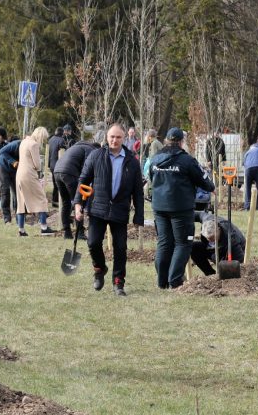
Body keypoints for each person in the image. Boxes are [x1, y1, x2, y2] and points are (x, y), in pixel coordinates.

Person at [75, 124, 145, 296]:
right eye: (112, 137)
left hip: (120, 210)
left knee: (120, 248)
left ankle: (118, 283)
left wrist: (139, 216)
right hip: (97, 208)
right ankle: (99, 269)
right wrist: (78, 205)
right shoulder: (96, 156)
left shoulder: (132, 161)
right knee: (92, 243)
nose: (114, 140)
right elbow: (83, 180)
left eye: (118, 137)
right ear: (107, 137)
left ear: (124, 139)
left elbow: (138, 191)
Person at [150, 127, 216, 289]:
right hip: (180, 208)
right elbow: (204, 181)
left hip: (159, 206)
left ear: (166, 140)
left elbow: (151, 178)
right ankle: (175, 281)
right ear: (181, 142)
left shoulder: (155, 158)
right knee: (183, 243)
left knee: (164, 243)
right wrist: (211, 186)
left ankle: (162, 282)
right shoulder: (186, 160)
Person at [54, 131, 103, 239]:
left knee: (66, 202)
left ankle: (67, 232)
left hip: (57, 172)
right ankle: (80, 233)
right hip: (69, 173)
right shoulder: (92, 151)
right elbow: (86, 170)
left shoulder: (77, 147)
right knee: (78, 202)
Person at [15, 127, 56, 236]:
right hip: (29, 174)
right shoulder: (34, 144)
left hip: (19, 174)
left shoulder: (23, 142)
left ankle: (21, 230)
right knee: (41, 199)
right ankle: (44, 227)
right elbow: (37, 165)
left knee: (21, 202)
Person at [190, 211, 245, 276]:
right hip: (214, 249)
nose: (210, 240)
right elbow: (198, 214)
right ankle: (210, 274)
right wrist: (183, 218)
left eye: (212, 238)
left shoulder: (231, 238)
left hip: (229, 251)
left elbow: (240, 259)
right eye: (208, 238)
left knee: (225, 269)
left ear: (218, 229)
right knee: (194, 247)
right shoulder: (207, 219)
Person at [0, 136, 20, 224]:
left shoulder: (30, 149)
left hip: (15, 170)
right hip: (2, 166)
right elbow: (1, 151)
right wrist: (12, 161)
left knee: (17, 192)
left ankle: (19, 217)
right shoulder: (16, 144)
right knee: (5, 191)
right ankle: (7, 218)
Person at [47, 126, 64, 208]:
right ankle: (58, 201)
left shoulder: (50, 139)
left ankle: (54, 201)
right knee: (60, 184)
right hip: (58, 165)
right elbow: (63, 151)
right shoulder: (61, 140)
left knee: (55, 183)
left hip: (51, 165)